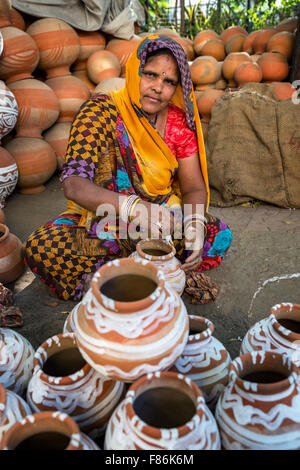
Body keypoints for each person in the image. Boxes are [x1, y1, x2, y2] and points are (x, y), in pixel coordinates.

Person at [23, 34, 232, 302]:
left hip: (162, 221)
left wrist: (194, 225)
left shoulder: (180, 124)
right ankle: (143, 272)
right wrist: (134, 208)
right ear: (135, 71)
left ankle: (128, 270)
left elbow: (193, 187)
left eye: (169, 82)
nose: (158, 87)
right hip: (105, 220)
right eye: (151, 75)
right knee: (42, 247)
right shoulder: (100, 111)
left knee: (215, 233)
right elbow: (74, 184)